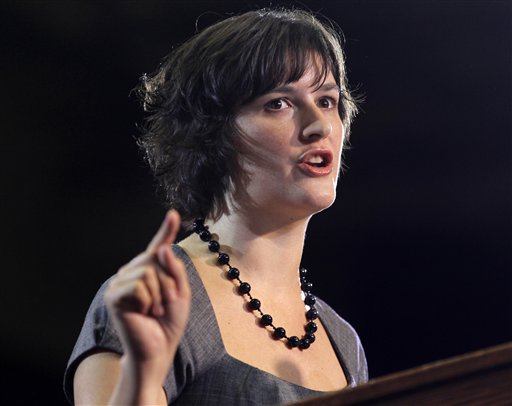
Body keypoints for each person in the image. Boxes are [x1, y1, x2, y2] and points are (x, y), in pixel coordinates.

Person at [64, 7, 368, 405]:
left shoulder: (343, 343)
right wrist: (141, 369)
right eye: (278, 103)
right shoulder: (153, 299)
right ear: (211, 135)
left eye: (327, 101)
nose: (319, 125)